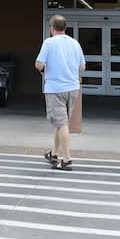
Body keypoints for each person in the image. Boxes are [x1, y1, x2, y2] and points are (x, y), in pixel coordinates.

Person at [35, 14, 84, 170]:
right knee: (60, 123)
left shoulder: (49, 43)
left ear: (52, 28)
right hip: (73, 88)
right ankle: (54, 154)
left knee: (61, 124)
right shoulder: (75, 43)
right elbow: (82, 67)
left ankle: (67, 159)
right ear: (65, 28)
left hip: (55, 89)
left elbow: (38, 64)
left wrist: (44, 68)